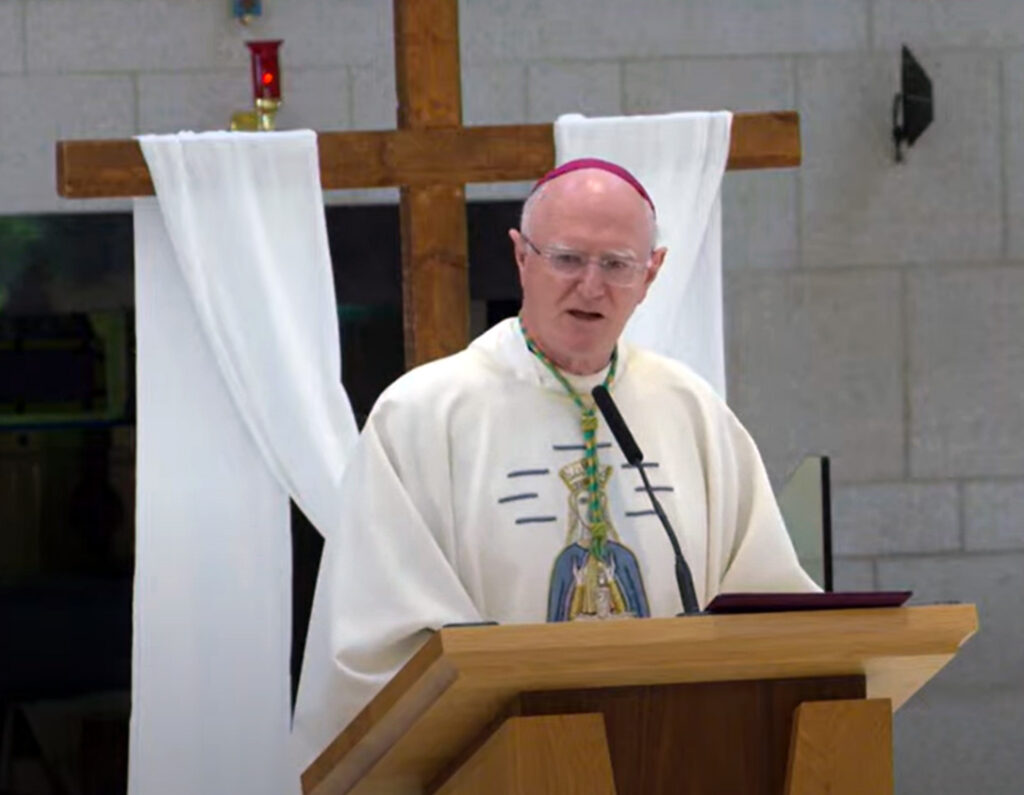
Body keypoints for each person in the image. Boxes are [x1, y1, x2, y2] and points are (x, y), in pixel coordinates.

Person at [304, 157, 815, 759]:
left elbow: (771, 611)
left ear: (652, 274)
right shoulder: (422, 415)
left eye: (617, 264)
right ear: (522, 258)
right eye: (568, 258)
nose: (591, 286)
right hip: (497, 766)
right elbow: (376, 640)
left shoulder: (691, 412)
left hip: (675, 756)